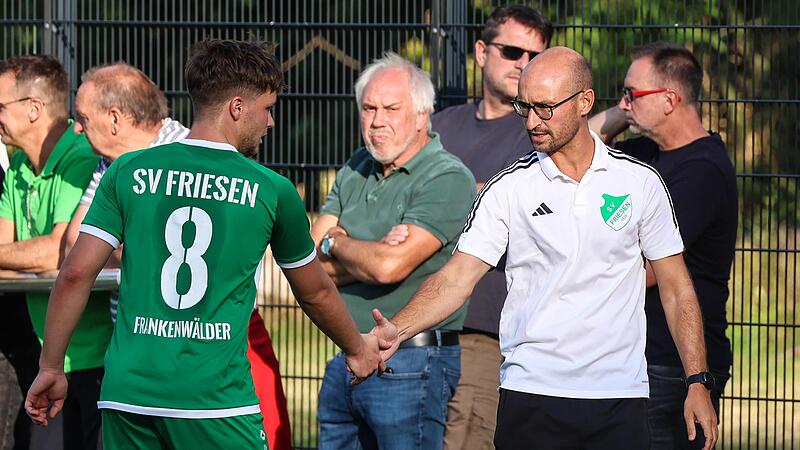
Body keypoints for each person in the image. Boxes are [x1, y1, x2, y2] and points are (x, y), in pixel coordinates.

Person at [24, 39, 386, 449]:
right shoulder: (271, 189)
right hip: (214, 403)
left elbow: (73, 273)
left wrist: (51, 366)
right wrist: (358, 349)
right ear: (237, 107)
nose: (271, 123)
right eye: (267, 109)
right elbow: (316, 291)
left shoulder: (127, 170)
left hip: (128, 395)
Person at [371, 47, 719, 450]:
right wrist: (399, 329)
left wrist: (697, 380)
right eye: (525, 106)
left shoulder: (640, 182)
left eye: (545, 107)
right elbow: (455, 279)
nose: (532, 121)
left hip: (620, 398)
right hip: (530, 393)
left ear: (585, 102)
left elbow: (677, 288)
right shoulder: (508, 187)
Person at [67, 60, 293, 450]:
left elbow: (81, 258)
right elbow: (74, 242)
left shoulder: (183, 151)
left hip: (203, 358)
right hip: (162, 366)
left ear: (116, 119)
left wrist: (132, 243)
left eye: (83, 117)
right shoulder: (113, 164)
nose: (76, 128)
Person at [313, 53, 476, 450]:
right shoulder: (357, 165)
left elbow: (388, 267)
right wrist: (359, 253)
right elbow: (308, 256)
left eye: (391, 108)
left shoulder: (447, 177)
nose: (376, 120)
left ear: (422, 116)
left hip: (410, 362)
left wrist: (337, 241)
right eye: (368, 108)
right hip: (345, 355)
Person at [589, 42, 737, 450]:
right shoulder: (646, 154)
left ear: (670, 99)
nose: (623, 103)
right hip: (637, 358)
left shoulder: (702, 170)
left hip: (672, 364)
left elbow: (650, 270)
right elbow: (578, 139)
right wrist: (629, 107)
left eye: (631, 93)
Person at [430, 6, 552, 449]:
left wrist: (442, 200)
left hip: (488, 332)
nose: (523, 62)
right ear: (481, 52)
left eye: (535, 56)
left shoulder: (541, 132)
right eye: (513, 50)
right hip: (421, 327)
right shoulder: (440, 126)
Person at [0, 55, 110, 450]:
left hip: (96, 360)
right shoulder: (17, 166)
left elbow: (57, 254)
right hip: (48, 358)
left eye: (0, 106)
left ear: (33, 109)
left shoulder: (81, 158)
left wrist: (23, 256)